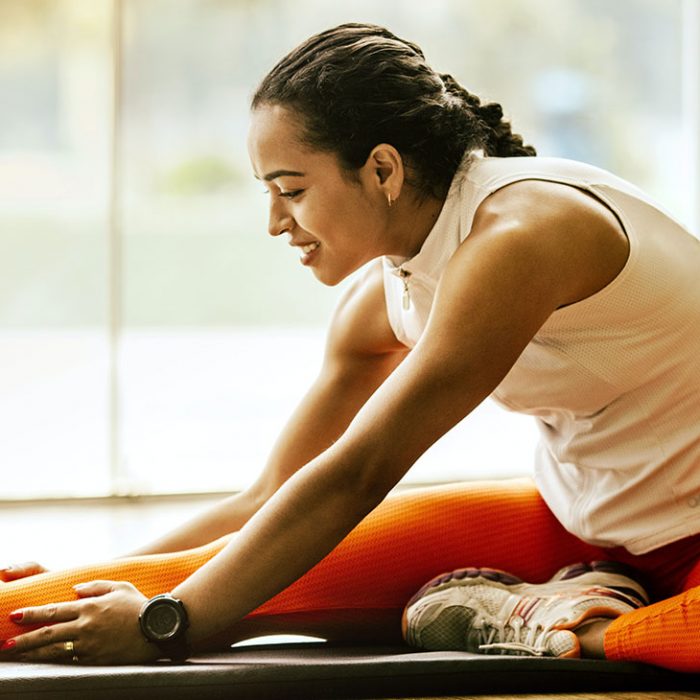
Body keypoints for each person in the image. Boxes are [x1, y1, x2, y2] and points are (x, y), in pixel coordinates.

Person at [1, 22, 699, 672]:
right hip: (583, 533)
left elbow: (362, 470)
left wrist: (165, 622)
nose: (276, 222)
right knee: (44, 616)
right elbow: (271, 494)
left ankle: (573, 626)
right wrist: (101, 582)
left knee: (189, 609)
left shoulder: (521, 238)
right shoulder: (382, 295)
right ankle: (584, 601)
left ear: (384, 171)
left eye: (291, 190)